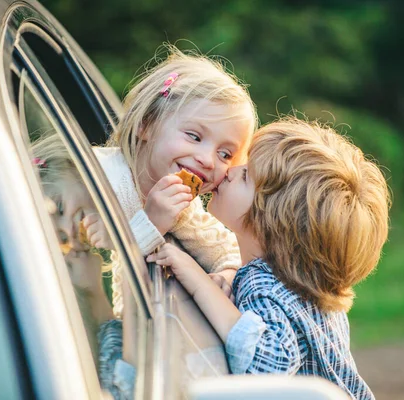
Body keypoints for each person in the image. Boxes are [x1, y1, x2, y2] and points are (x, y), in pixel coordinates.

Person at [146, 117, 390, 399]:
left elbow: (267, 367)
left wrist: (199, 283)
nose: (230, 171)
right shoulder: (309, 286)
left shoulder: (262, 285)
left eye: (246, 175)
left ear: (271, 221)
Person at [89, 45, 258, 318]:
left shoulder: (184, 210)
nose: (208, 160)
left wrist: (226, 275)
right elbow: (97, 266)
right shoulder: (97, 176)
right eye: (194, 136)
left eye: (225, 153)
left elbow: (229, 252)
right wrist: (151, 223)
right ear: (146, 124)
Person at [30, 132, 130, 399]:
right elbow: (117, 378)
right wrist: (92, 291)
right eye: (61, 239)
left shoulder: (147, 201)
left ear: (73, 164)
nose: (69, 232)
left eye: (59, 207)